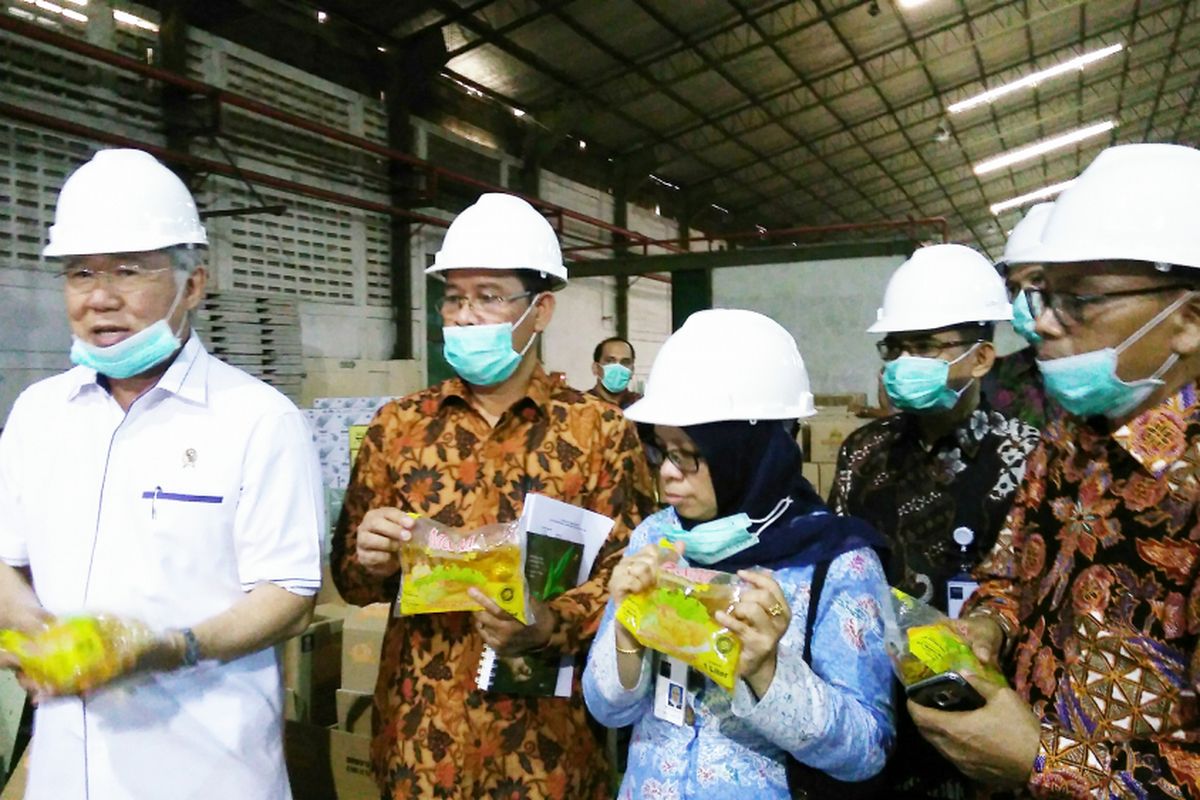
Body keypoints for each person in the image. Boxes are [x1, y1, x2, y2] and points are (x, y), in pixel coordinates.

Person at [0, 149, 324, 798]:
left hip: (205, 771)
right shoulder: (38, 415)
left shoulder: (258, 420)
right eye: (80, 273)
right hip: (67, 772)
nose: (100, 297)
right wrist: (36, 634)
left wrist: (167, 648)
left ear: (193, 284)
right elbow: (8, 562)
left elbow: (289, 595)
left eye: (129, 271)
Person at [330, 192, 655, 800]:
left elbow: (629, 579)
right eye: (454, 297)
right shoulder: (398, 427)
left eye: (489, 296)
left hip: (548, 753)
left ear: (541, 309)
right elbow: (351, 578)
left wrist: (550, 621)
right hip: (420, 743)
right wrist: (368, 557)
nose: (466, 315)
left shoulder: (599, 433)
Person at [911, 143, 1200, 798]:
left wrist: (1043, 762)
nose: (1041, 321)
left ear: (1188, 317)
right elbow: (1012, 566)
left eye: (1080, 299)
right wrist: (991, 623)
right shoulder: (1074, 434)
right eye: (1044, 293)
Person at [583, 309, 894, 799]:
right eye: (662, 450)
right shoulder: (655, 538)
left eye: (688, 453)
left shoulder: (833, 561)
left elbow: (867, 749)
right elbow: (609, 710)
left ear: (749, 453)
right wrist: (626, 633)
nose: (666, 472)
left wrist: (768, 672)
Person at [829, 243, 1041, 797]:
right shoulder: (862, 452)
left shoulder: (1026, 457)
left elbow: (1029, 591)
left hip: (979, 722)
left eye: (924, 347)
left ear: (981, 358)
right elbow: (838, 570)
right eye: (895, 348)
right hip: (874, 711)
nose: (903, 365)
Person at [982, 202, 1053, 429]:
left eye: (1038, 280)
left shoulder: (1131, 371)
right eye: (1014, 289)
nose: (1023, 300)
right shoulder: (999, 378)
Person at [588, 336, 642, 409]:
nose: (618, 367)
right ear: (596, 368)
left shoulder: (642, 406)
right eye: (610, 361)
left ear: (632, 371)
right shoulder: (579, 406)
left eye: (625, 362)